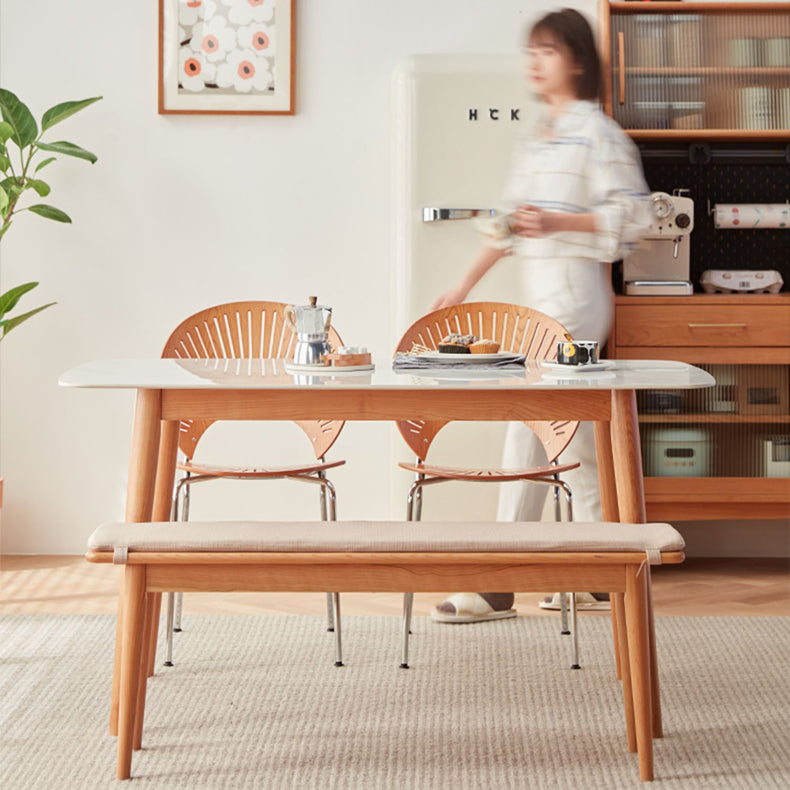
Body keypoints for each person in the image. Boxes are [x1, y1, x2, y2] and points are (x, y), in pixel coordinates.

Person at [429, 8, 652, 623]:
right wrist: (462, 287)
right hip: (540, 303)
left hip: (576, 300)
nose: (534, 61)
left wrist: (559, 221)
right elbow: (505, 225)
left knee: (526, 435)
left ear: (577, 61)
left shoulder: (599, 134)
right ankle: (600, 572)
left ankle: (501, 581)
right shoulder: (540, 138)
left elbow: (637, 217)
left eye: (547, 51)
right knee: (567, 438)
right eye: (530, 51)